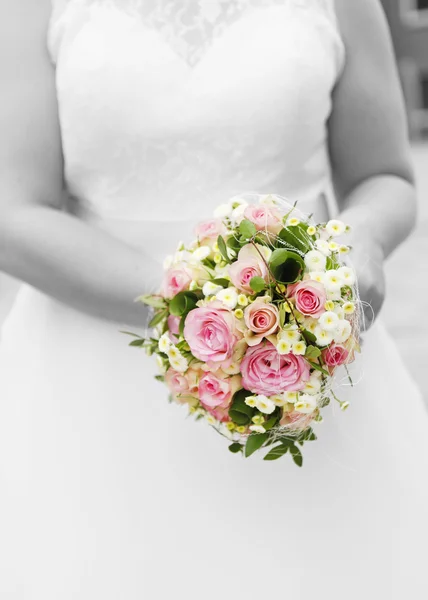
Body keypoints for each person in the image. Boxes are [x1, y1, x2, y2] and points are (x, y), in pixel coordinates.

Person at [0, 0, 426, 598]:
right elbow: (12, 212)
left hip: (298, 348)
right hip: (89, 381)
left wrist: (362, 238)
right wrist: (194, 309)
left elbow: (386, 176)